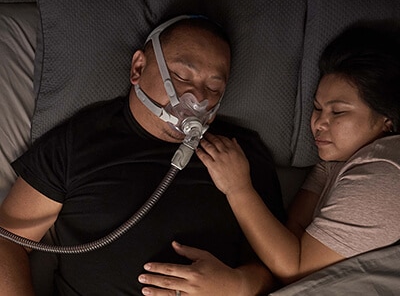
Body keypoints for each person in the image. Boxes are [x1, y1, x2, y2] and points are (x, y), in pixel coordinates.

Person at [0, 15, 285, 295]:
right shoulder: (79, 141)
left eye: (213, 88)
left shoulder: (241, 154)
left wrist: (238, 286)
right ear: (138, 67)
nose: (197, 98)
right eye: (182, 75)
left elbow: (276, 266)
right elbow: (8, 240)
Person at [138, 20, 400, 293]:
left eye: (338, 112)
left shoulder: (385, 171)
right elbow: (291, 233)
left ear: (387, 120)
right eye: (317, 108)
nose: (319, 123)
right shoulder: (335, 161)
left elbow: (294, 269)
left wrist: (238, 187)